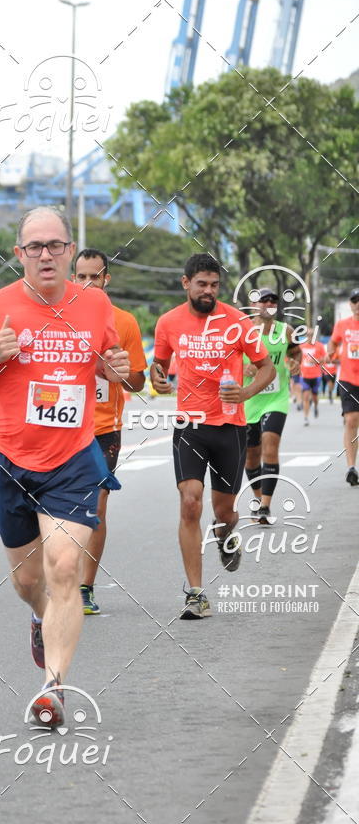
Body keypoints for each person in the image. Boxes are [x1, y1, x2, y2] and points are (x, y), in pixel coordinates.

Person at [0, 206, 129, 726]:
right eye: (34, 247)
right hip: (8, 458)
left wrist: (115, 368)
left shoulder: (95, 304)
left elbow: (110, 363)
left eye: (55, 245)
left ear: (71, 251)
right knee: (29, 581)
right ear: (19, 254)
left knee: (65, 567)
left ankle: (54, 688)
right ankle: (37, 616)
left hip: (72, 458)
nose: (45, 254)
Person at [151, 253, 275, 620]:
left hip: (231, 427)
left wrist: (247, 393)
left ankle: (224, 537)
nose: (208, 291)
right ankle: (195, 592)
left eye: (214, 285)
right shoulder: (168, 322)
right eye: (201, 284)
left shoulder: (237, 321)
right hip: (190, 425)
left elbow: (266, 368)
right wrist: (158, 380)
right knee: (191, 502)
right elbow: (159, 367)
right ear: (185, 283)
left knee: (225, 512)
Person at [72, 248, 146, 614]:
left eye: (94, 277)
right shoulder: (58, 318)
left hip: (104, 430)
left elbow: (137, 383)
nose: (87, 284)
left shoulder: (125, 322)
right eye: (80, 277)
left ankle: (85, 587)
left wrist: (120, 371)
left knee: (94, 509)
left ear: (106, 279)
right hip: (62, 428)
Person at [243, 288, 302, 523]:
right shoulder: (244, 331)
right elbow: (227, 359)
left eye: (272, 301)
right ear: (254, 304)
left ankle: (266, 506)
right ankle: (258, 499)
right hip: (249, 398)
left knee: (270, 443)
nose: (268, 304)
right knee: (251, 456)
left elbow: (296, 352)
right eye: (263, 300)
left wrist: (295, 364)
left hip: (276, 398)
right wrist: (241, 368)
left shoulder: (285, 331)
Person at [328, 288, 359, 486]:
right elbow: (332, 345)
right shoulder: (342, 325)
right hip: (348, 378)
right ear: (350, 304)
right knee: (351, 420)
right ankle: (351, 468)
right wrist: (331, 355)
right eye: (354, 301)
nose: (358, 304)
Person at [299, 331, 327, 426]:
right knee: (306, 396)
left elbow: (325, 358)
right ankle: (306, 418)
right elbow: (297, 358)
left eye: (312, 335)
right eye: (308, 335)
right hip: (304, 375)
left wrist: (315, 360)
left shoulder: (319, 346)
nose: (310, 337)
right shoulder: (301, 346)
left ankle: (315, 406)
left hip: (316, 375)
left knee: (314, 396)